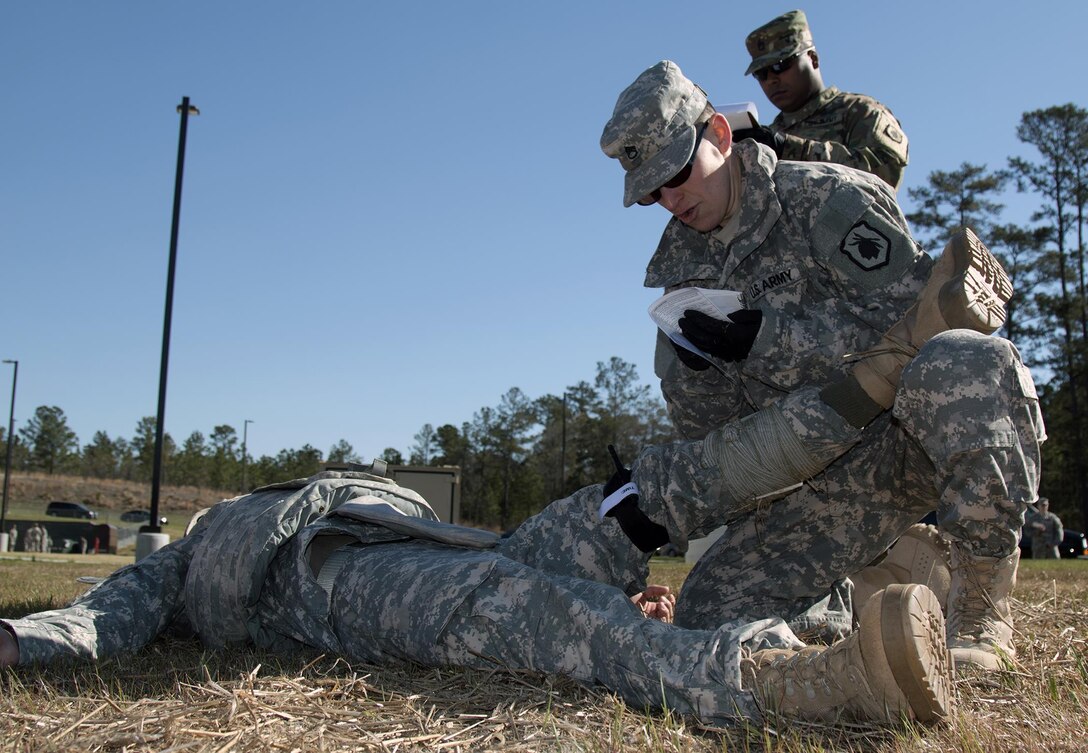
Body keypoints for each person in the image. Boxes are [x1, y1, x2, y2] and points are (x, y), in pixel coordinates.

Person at [599, 60, 1043, 672]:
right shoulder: (683, 273)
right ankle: (889, 570)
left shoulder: (828, 199)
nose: (672, 201)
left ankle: (980, 610)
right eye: (653, 193)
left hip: (904, 441)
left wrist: (770, 340)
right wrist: (699, 379)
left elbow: (920, 328)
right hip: (821, 487)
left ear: (721, 137)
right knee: (709, 607)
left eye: (677, 173)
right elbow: (717, 441)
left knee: (965, 363)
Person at [0, 462, 956, 726]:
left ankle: (830, 596)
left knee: (607, 513)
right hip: (333, 591)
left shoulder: (334, 485)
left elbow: (462, 541)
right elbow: (103, 617)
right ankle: (795, 681)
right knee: (519, 611)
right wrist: (20, 642)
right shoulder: (202, 545)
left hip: (449, 545)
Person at [731, 10, 909, 189]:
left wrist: (788, 148)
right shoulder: (767, 137)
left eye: (781, 65)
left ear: (813, 59)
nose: (771, 80)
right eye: (761, 74)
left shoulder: (859, 111)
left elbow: (884, 175)